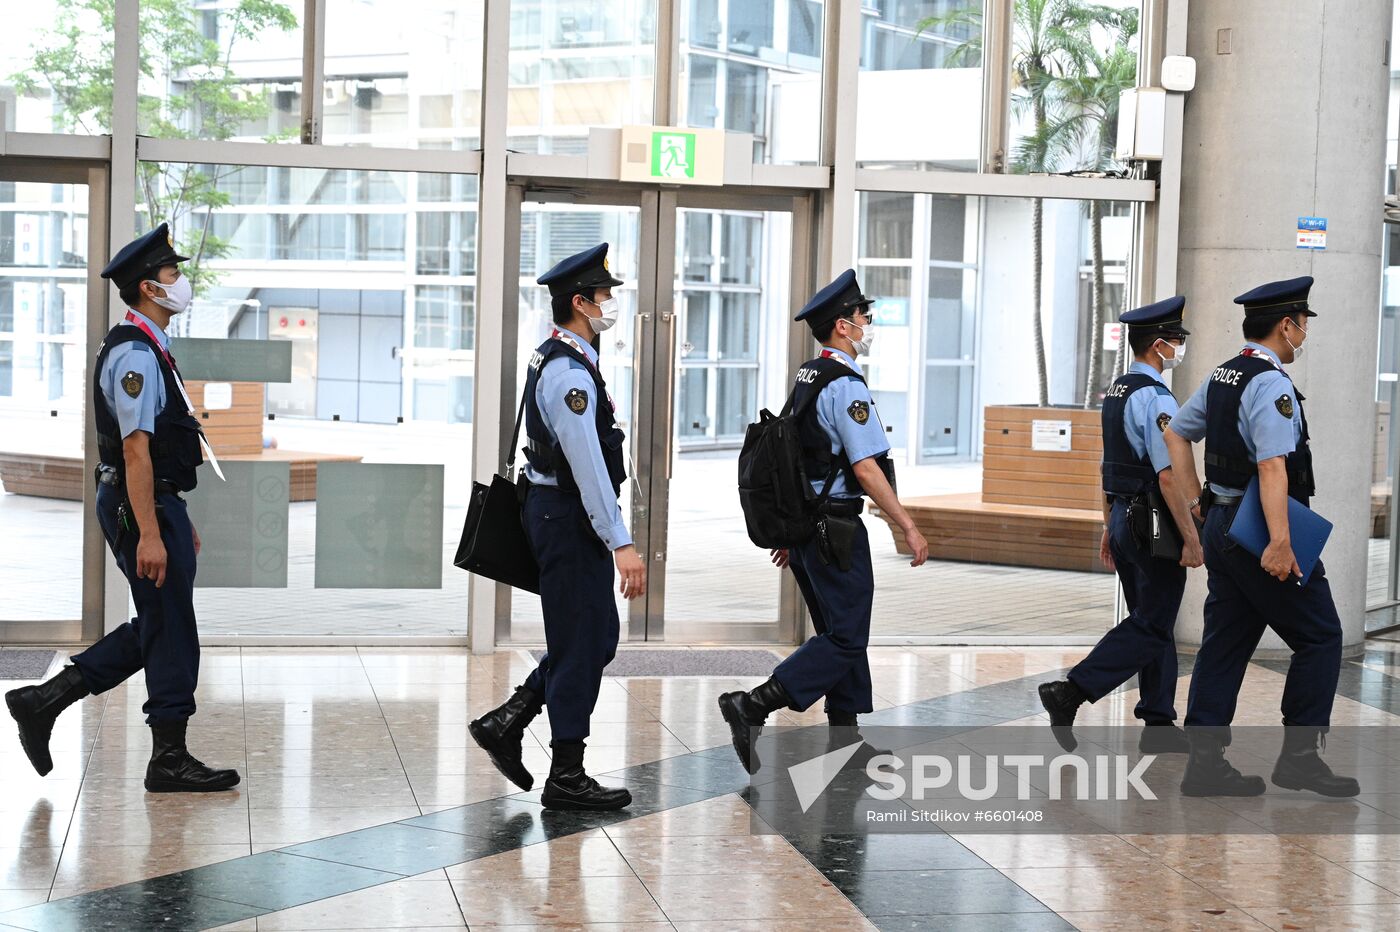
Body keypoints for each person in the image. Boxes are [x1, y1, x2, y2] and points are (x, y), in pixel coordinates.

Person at [5, 223, 239, 793]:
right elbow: (136, 452)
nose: (180, 282)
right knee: (170, 623)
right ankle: (166, 756)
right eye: (171, 274)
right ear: (147, 288)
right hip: (139, 503)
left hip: (154, 501)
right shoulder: (134, 354)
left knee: (162, 619)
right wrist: (153, 533)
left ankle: (44, 700)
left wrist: (173, 518)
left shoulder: (150, 346)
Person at [718, 269, 929, 773]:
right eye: (863, 316)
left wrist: (792, 533)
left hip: (809, 529)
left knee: (839, 631)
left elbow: (795, 463)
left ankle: (847, 743)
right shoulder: (844, 386)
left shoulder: (807, 377)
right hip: (835, 528)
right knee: (846, 637)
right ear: (842, 326)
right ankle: (753, 705)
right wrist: (907, 524)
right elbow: (864, 465)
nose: (868, 323)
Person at [1163, 275, 1357, 798]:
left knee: (1226, 641)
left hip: (1224, 522)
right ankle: (1299, 758)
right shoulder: (1271, 383)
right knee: (1320, 636)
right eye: (1302, 326)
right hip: (1259, 532)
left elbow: (1176, 433)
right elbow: (1273, 467)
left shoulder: (1226, 373)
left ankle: (1204, 763)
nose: (1304, 336)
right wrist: (1279, 541)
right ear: (1287, 325)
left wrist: (1198, 501)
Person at [469, 243, 646, 811]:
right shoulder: (568, 373)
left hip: (560, 514)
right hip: (567, 517)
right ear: (580, 302)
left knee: (592, 640)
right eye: (604, 295)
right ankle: (566, 773)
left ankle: (509, 719)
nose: (610, 302)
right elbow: (587, 464)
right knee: (581, 644)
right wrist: (621, 541)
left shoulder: (563, 359)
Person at [1038, 297, 1203, 753]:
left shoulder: (1117, 391)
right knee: (1152, 623)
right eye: (1177, 341)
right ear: (1158, 345)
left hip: (1124, 516)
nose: (1179, 348)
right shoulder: (1155, 397)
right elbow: (1167, 474)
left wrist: (1109, 524)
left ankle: (1158, 722)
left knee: (1152, 620)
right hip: (1153, 522)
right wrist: (1190, 537)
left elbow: (1108, 464)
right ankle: (1071, 690)